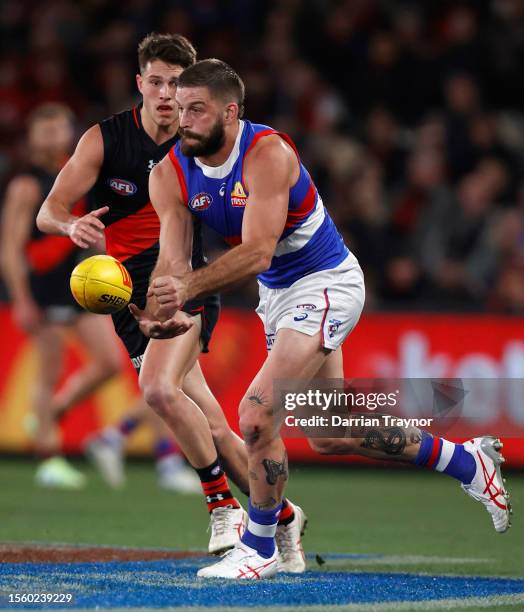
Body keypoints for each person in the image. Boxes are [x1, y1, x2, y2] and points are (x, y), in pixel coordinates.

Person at [134, 59, 512, 579]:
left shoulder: (267, 153)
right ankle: (468, 462)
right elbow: (175, 260)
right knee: (331, 430)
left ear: (230, 111)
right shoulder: (169, 173)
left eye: (196, 109)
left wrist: (187, 288)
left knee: (256, 413)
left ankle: (260, 546)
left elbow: (259, 252)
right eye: (179, 110)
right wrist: (163, 308)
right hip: (278, 296)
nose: (184, 120)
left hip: (325, 281)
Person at [35, 34, 307, 570]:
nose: (164, 95)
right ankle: (283, 515)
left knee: (157, 388)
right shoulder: (105, 139)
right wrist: (72, 224)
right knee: (211, 425)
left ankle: (222, 506)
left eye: (175, 86)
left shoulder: (196, 144)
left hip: (182, 283)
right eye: (155, 82)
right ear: (139, 84)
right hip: (119, 292)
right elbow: (49, 210)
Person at [0, 103, 122, 489]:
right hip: (42, 285)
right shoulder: (27, 184)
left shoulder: (77, 175)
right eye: (45, 129)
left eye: (60, 128)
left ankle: (51, 412)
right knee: (49, 369)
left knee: (109, 363)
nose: (54, 135)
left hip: (79, 283)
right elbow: (10, 247)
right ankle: (49, 458)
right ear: (32, 135)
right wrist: (21, 299)